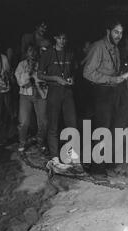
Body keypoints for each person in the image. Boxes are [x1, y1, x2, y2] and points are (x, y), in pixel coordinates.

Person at [83, 19, 128, 175]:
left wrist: (123, 77)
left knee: (112, 130)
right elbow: (87, 73)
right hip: (102, 93)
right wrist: (112, 79)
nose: (119, 35)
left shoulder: (116, 49)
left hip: (114, 93)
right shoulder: (98, 47)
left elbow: (113, 72)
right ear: (108, 31)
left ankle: (107, 164)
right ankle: (96, 170)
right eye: (116, 32)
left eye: (121, 32)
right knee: (101, 131)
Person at [39, 29, 77, 163]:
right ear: (55, 37)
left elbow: (73, 72)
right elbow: (40, 75)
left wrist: (72, 78)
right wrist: (55, 78)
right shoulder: (48, 53)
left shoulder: (70, 53)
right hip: (54, 91)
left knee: (72, 123)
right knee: (53, 125)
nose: (63, 41)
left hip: (67, 92)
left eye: (64, 39)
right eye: (60, 38)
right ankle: (55, 157)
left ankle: (71, 153)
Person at [15, 44, 47, 153]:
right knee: (24, 122)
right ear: (26, 53)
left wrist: (38, 78)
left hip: (40, 94)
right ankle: (22, 142)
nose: (32, 53)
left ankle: (40, 141)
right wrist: (29, 72)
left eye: (34, 51)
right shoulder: (21, 65)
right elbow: (20, 82)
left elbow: (44, 80)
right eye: (30, 51)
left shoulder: (42, 64)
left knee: (43, 121)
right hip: (25, 95)